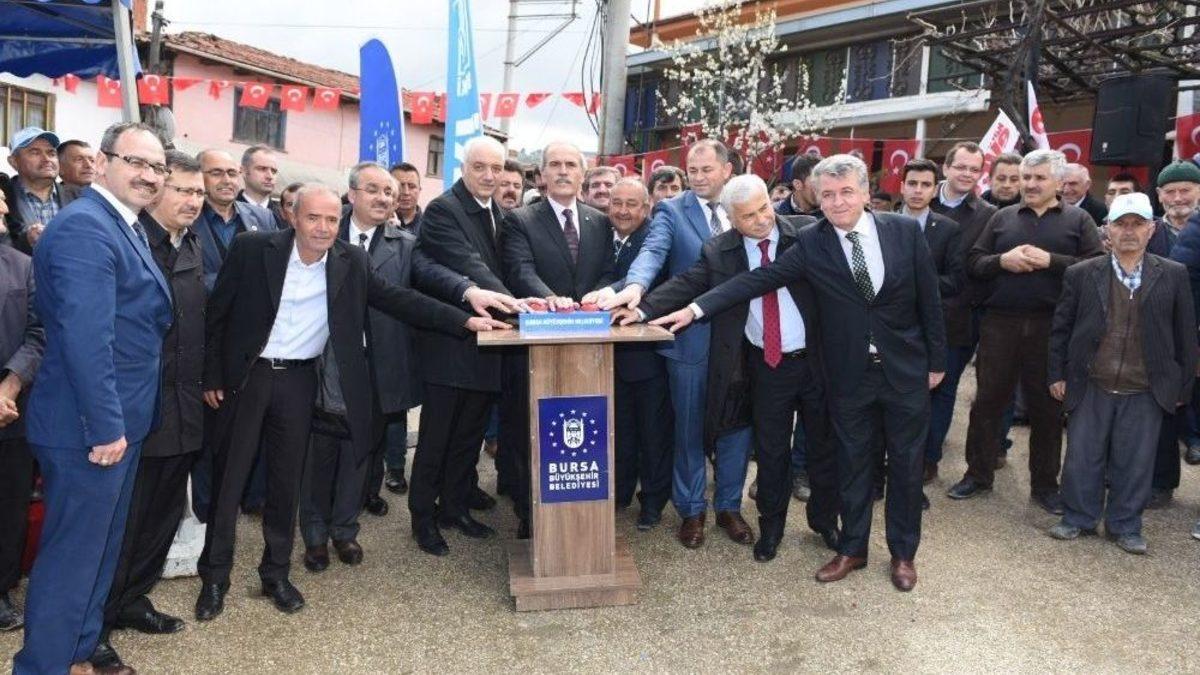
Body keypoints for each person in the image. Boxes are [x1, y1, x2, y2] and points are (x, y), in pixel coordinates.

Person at [194, 183, 510, 622]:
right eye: (313, 218)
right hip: (248, 377)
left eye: (330, 219)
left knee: (286, 484)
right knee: (230, 482)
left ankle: (276, 574)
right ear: (292, 217)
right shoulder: (252, 249)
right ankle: (214, 579)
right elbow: (218, 313)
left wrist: (464, 319)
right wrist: (212, 375)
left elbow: (399, 299)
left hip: (299, 382)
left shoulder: (350, 261)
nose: (323, 228)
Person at [652, 154, 945, 591]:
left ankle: (903, 554)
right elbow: (756, 280)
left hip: (903, 369)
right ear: (815, 197)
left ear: (866, 192)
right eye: (828, 194)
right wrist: (694, 309)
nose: (837, 202)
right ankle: (852, 548)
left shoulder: (903, 231)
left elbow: (929, 299)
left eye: (847, 192)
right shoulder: (812, 241)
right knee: (853, 464)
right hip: (845, 374)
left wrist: (937, 361)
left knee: (904, 464)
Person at [15, 121, 173, 675]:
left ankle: (76, 655)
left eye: (158, 167)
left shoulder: (120, 222)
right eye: (137, 162)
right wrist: (107, 426)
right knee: (72, 561)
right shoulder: (87, 228)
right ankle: (42, 666)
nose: (149, 175)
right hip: (88, 427)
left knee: (98, 553)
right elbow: (87, 339)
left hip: (117, 423)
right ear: (103, 163)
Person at [630, 174, 833, 562]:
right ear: (732, 220)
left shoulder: (806, 233)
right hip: (768, 365)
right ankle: (771, 530)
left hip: (817, 362)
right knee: (771, 453)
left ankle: (824, 519)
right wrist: (641, 309)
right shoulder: (720, 250)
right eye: (749, 216)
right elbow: (687, 283)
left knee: (823, 448)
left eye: (764, 208)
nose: (761, 220)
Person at [598, 140, 757, 550]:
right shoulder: (671, 210)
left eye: (707, 170)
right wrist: (636, 285)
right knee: (687, 428)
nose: (698, 178)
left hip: (744, 338)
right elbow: (653, 252)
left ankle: (729, 506)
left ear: (727, 170)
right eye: (693, 170)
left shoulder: (746, 204)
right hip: (690, 339)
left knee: (738, 425)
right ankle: (691, 509)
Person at [91, 151, 207, 672]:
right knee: (122, 524)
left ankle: (133, 598)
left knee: (161, 517)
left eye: (198, 192)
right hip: (138, 408)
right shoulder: (132, 243)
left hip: (184, 406)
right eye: (183, 189)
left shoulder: (192, 243)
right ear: (157, 190)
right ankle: (94, 626)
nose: (193, 200)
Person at [948, 149, 1105, 513]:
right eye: (1026, 178)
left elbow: (1097, 266)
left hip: (1052, 327)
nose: (1031, 184)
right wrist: (1002, 261)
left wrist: (1052, 261)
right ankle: (977, 474)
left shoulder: (1079, 219)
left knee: (1047, 408)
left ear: (1058, 183)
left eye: (1039, 178)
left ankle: (1046, 485)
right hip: (999, 323)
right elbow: (974, 262)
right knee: (987, 401)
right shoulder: (1002, 217)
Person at [1047, 192, 1196, 554]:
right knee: (1083, 457)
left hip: (1145, 387)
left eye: (1137, 224)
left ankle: (1126, 525)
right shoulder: (1081, 273)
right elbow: (1061, 329)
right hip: (1091, 382)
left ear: (1151, 229)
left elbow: (1185, 335)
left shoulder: (1173, 274)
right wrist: (1056, 374)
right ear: (1107, 230)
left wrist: (1182, 386)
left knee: (1136, 461)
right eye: (1121, 224)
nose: (1129, 231)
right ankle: (1078, 517)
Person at [411, 135, 523, 554]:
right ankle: (423, 518)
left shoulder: (500, 213)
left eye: (496, 168)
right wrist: (518, 305)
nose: (490, 176)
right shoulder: (444, 209)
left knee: (468, 437)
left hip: (488, 346)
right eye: (480, 167)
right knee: (436, 439)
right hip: (451, 343)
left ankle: (455, 508)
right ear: (463, 168)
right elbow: (469, 265)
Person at [501, 141, 617, 535]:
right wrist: (550, 299)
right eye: (555, 164)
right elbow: (520, 270)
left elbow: (608, 271)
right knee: (529, 427)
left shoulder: (600, 221)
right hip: (537, 343)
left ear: (583, 173)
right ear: (542, 175)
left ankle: (580, 511)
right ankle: (528, 511)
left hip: (590, 346)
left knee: (584, 427)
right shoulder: (520, 220)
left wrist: (598, 295)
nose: (563, 171)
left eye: (571, 164)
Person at [927, 142, 1000, 472]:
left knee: (943, 390)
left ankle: (928, 459)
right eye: (961, 167)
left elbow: (980, 268)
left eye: (974, 169)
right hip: (910, 317)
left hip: (957, 319)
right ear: (946, 168)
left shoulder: (988, 215)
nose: (967, 174)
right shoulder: (920, 197)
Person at [606, 178, 674, 530]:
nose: (623, 211)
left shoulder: (655, 237)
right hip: (606, 358)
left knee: (653, 435)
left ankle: (652, 503)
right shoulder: (599, 233)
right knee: (619, 431)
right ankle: (619, 493)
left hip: (647, 357)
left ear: (646, 207)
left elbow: (650, 278)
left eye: (632, 204)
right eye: (616, 203)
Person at [899, 158, 964, 482]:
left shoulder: (948, 229)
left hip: (927, 330)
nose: (918, 190)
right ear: (902, 186)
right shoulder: (877, 222)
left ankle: (924, 461)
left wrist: (916, 282)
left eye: (925, 184)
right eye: (912, 183)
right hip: (885, 329)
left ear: (934, 189)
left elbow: (955, 280)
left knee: (923, 403)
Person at [0, 234, 44, 633]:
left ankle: (1, 588)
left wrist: (9, 388)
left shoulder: (22, 265)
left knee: (10, 504)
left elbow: (38, 332)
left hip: (11, 410)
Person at [3, 126, 77, 252]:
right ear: (13, 161)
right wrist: (26, 240)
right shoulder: (4, 198)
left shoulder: (77, 197)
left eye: (51, 153)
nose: (47, 159)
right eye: (35, 153)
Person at [237, 145, 285, 228]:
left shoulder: (284, 216)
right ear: (244, 171)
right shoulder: (229, 210)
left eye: (274, 171)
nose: (270, 176)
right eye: (262, 169)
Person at [1157, 160, 1200, 237]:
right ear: (1159, 195)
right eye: (1170, 191)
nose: (1177, 199)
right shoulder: (1148, 233)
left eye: (1185, 190)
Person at [390, 162, 423, 235]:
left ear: (419, 190)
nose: (406, 192)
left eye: (412, 186)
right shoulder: (376, 223)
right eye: (400, 186)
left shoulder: (430, 226)